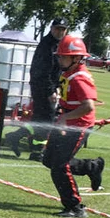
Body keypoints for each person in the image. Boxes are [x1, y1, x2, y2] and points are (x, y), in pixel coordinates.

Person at [41, 35, 105, 218]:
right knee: (48, 159)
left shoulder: (79, 78)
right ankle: (91, 167)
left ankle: (75, 207)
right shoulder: (68, 72)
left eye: (63, 56)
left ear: (76, 58)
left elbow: (88, 106)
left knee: (59, 166)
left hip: (78, 126)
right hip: (67, 121)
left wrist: (65, 118)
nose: (59, 59)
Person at [26, 17, 68, 158]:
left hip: (45, 86)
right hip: (42, 87)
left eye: (62, 29)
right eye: (57, 29)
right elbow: (44, 71)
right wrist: (50, 90)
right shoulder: (47, 45)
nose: (59, 32)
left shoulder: (57, 44)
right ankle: (37, 152)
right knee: (45, 118)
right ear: (51, 28)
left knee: (41, 117)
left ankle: (18, 138)